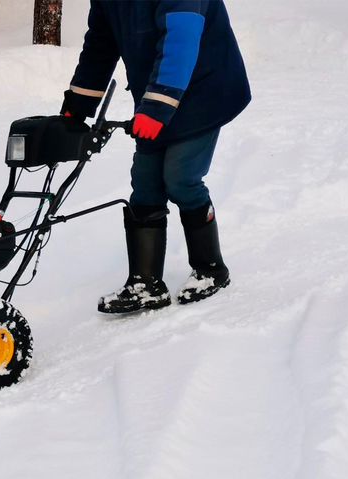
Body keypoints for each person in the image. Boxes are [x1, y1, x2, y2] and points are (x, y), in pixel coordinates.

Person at [61, 0, 251, 314]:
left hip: (204, 89)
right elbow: (100, 44)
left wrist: (157, 107)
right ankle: (144, 283)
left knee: (181, 177)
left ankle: (211, 269)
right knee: (146, 182)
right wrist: (78, 105)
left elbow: (182, 40)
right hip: (158, 92)